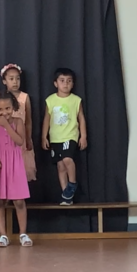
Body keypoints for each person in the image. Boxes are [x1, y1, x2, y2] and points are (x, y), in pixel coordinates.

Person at [0, 91, 32, 247]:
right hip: (0, 164)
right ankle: (3, 235)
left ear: (13, 107)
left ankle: (23, 233)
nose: (4, 112)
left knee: (19, 201)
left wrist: (7, 126)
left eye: (7, 108)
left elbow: (20, 141)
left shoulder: (18, 122)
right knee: (0, 201)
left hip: (15, 163)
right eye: (0, 109)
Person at [41, 68, 86, 205]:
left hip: (70, 136)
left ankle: (72, 184)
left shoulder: (76, 100)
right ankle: (66, 196)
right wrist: (44, 136)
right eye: (62, 81)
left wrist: (83, 136)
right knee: (60, 166)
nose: (65, 84)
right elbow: (47, 119)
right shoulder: (50, 100)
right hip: (55, 138)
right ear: (56, 83)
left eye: (69, 81)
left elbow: (81, 118)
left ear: (73, 84)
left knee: (67, 159)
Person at [0, 63, 36, 182]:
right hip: (6, 138)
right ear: (4, 81)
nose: (15, 82)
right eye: (11, 79)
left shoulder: (25, 97)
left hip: (21, 138)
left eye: (17, 78)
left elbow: (28, 120)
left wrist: (28, 138)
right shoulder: (1, 97)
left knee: (22, 168)